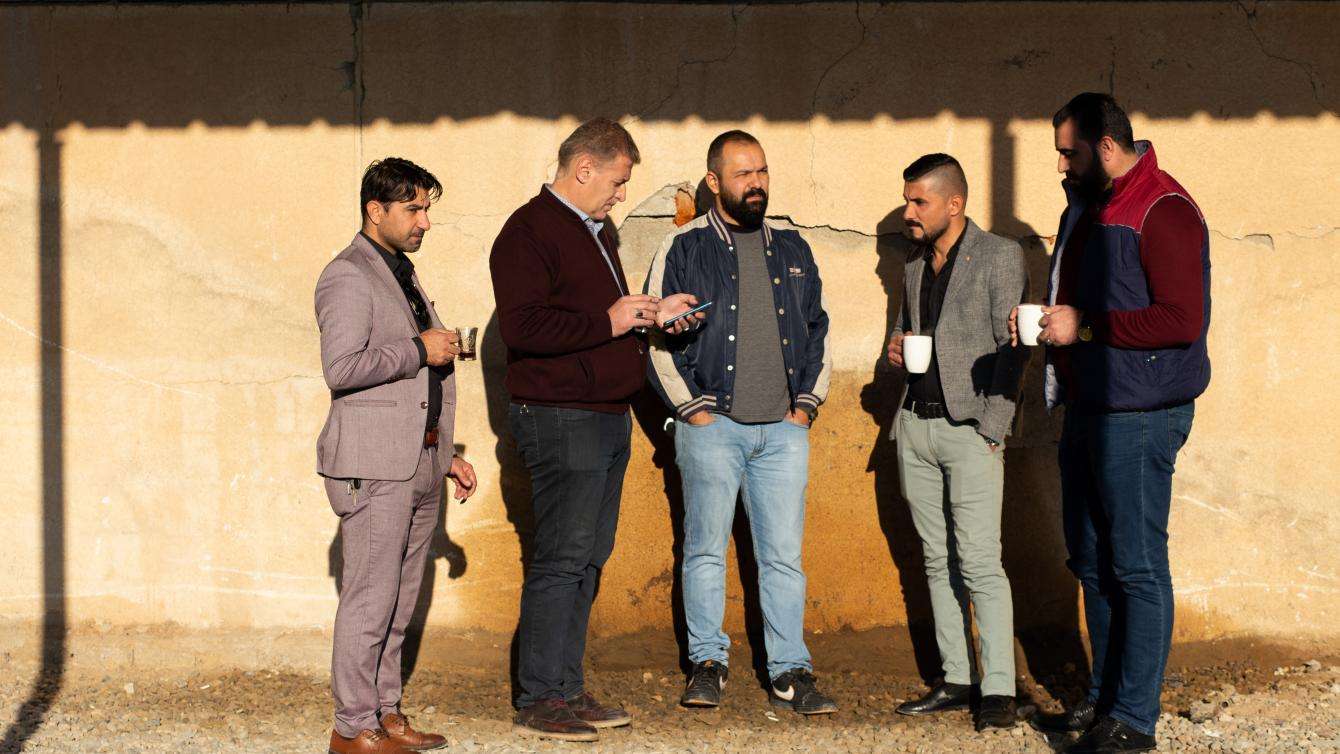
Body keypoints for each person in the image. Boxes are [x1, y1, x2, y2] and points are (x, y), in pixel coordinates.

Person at [489, 118, 700, 742]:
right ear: (584, 169)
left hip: (605, 415)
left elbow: (593, 315)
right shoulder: (526, 232)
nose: (621, 195)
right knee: (560, 559)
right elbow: (524, 329)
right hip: (562, 418)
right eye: (617, 181)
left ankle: (565, 687)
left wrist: (650, 314)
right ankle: (539, 697)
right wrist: (610, 321)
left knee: (587, 559)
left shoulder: (596, 230)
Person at [1014, 93, 1211, 754]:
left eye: (1068, 151)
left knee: (1136, 567)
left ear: (1104, 146)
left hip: (1141, 414)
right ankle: (1101, 701)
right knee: (1093, 564)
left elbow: (1181, 320)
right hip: (1089, 408)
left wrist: (1084, 326)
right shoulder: (1089, 208)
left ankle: (1134, 719)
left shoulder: (1164, 209)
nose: (1061, 165)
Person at [645, 130, 838, 716]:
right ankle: (708, 663)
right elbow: (654, 337)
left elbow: (818, 331)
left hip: (782, 432)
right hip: (713, 425)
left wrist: (805, 406)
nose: (756, 183)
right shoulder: (681, 249)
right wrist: (691, 410)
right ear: (714, 182)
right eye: (742, 174)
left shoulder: (794, 249)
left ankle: (789, 670)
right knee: (703, 550)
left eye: (762, 171)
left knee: (781, 555)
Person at [316, 157, 478, 754]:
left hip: (419, 463)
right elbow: (342, 368)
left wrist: (445, 452)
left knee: (400, 601)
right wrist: (419, 347)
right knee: (369, 601)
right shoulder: (348, 275)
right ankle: (351, 728)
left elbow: (416, 384)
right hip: (375, 468)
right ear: (374, 211)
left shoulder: (401, 272)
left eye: (427, 208)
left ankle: (385, 715)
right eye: (413, 209)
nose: (425, 221)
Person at [886, 154, 1027, 732]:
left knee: (979, 561)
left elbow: (1014, 346)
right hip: (914, 426)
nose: (909, 211)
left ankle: (998, 688)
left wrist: (993, 428)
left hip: (971, 430)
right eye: (907, 199)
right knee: (935, 558)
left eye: (920, 201)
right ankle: (956, 677)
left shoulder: (999, 256)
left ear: (955, 203)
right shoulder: (914, 265)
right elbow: (901, 331)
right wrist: (893, 350)